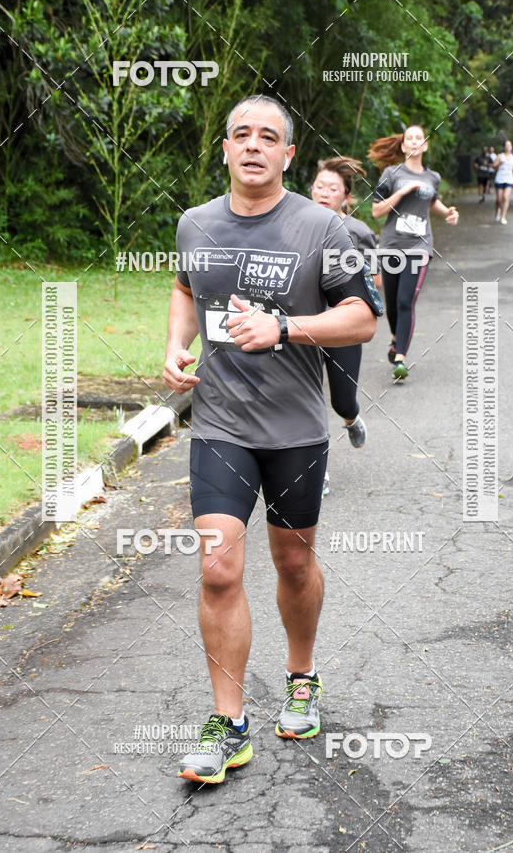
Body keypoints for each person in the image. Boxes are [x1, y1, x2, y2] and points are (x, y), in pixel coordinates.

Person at [163, 94, 379, 784]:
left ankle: (302, 673)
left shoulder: (321, 227)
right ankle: (228, 724)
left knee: (292, 563)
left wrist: (287, 329)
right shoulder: (195, 224)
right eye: (240, 135)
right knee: (219, 566)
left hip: (294, 429)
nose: (252, 145)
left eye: (268, 137)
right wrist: (175, 345)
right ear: (224, 149)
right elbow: (184, 287)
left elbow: (362, 318)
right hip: (221, 422)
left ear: (287, 155)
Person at [369, 124, 459, 381]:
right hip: (391, 245)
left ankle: (400, 359)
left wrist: (448, 212)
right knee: (393, 303)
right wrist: (403, 191)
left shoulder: (433, 177)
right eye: (410, 138)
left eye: (420, 137)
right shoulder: (391, 173)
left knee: (406, 301)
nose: (415, 141)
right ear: (404, 146)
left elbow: (432, 201)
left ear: (425, 145)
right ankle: (396, 338)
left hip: (419, 247)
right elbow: (376, 211)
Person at [310, 156, 379, 458]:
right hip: (301, 324)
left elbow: (374, 279)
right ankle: (313, 468)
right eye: (319, 187)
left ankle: (351, 418)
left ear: (347, 196)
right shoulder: (295, 227)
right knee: (306, 401)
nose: (324, 193)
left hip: (341, 327)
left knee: (341, 400)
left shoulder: (359, 232)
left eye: (333, 189)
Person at [493, 140, 513, 225]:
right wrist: (499, 163)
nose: (508, 147)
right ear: (504, 147)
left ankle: (503, 217)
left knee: (506, 197)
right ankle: (497, 211)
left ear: (511, 147)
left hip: (509, 179)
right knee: (499, 199)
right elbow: (494, 166)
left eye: (509, 145)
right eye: (506, 145)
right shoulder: (500, 156)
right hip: (499, 179)